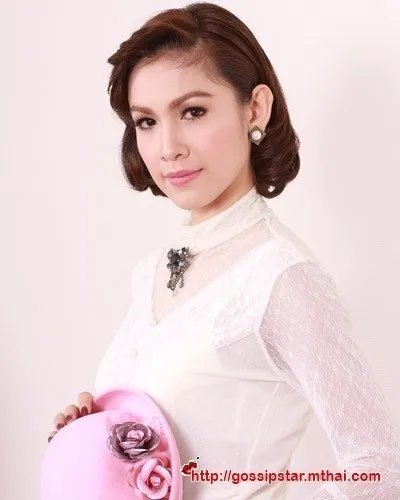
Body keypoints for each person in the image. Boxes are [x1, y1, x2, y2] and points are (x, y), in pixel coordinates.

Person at [47, 2, 400, 498]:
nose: (168, 147)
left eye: (192, 112)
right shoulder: (151, 272)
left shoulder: (282, 278)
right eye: (146, 121)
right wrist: (91, 442)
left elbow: (377, 468)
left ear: (255, 109)